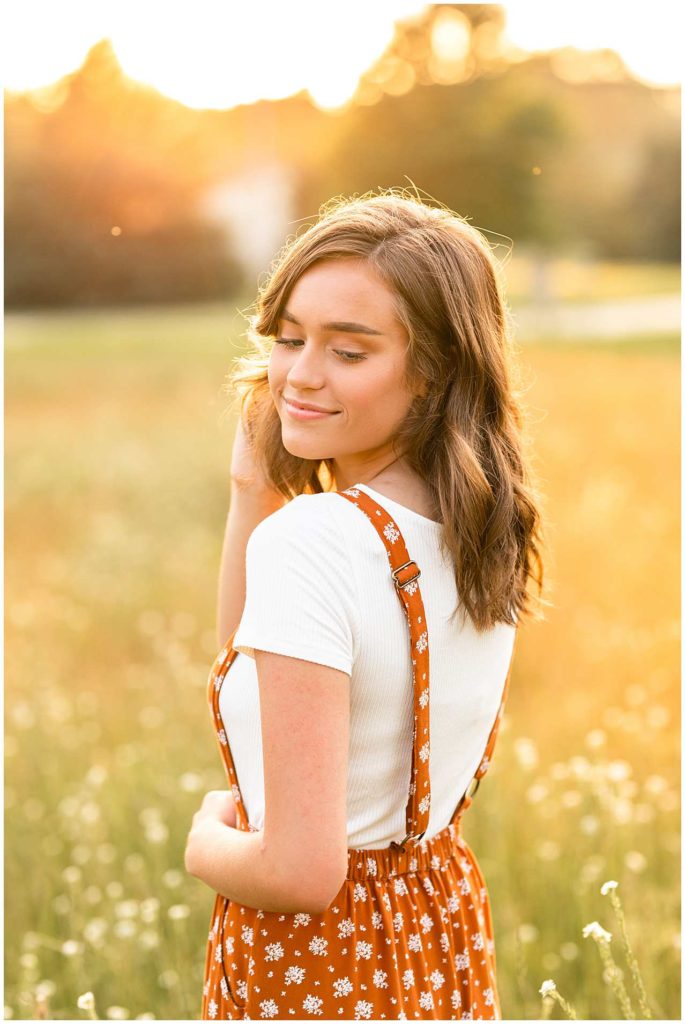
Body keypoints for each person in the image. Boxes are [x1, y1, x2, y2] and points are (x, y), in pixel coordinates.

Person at [184, 189, 547, 1020]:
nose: (299, 375)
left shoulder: (314, 539)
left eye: (349, 352)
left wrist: (205, 844)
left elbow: (300, 874)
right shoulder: (474, 523)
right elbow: (251, 662)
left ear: (433, 371)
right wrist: (252, 491)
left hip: (315, 960)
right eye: (287, 339)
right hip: (435, 920)